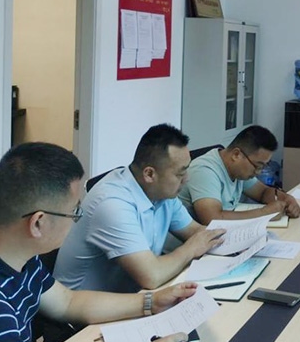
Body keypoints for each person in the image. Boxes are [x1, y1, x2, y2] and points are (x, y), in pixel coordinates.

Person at [0, 142, 194, 342]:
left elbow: (68, 302)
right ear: (38, 223)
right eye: (75, 211)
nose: (77, 218)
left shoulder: (13, 253)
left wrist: (151, 302)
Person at [54, 124, 225, 293]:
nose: (186, 179)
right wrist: (191, 248)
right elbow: (152, 276)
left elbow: (195, 232)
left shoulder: (163, 193)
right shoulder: (112, 203)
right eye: (180, 173)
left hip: (133, 295)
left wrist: (232, 239)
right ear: (149, 174)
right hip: (85, 306)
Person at [179, 125, 300, 225]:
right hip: (189, 243)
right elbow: (212, 219)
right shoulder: (204, 171)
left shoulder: (238, 169)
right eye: (257, 165)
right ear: (236, 155)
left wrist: (286, 199)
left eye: (263, 166)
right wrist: (264, 213)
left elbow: (262, 192)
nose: (258, 172)